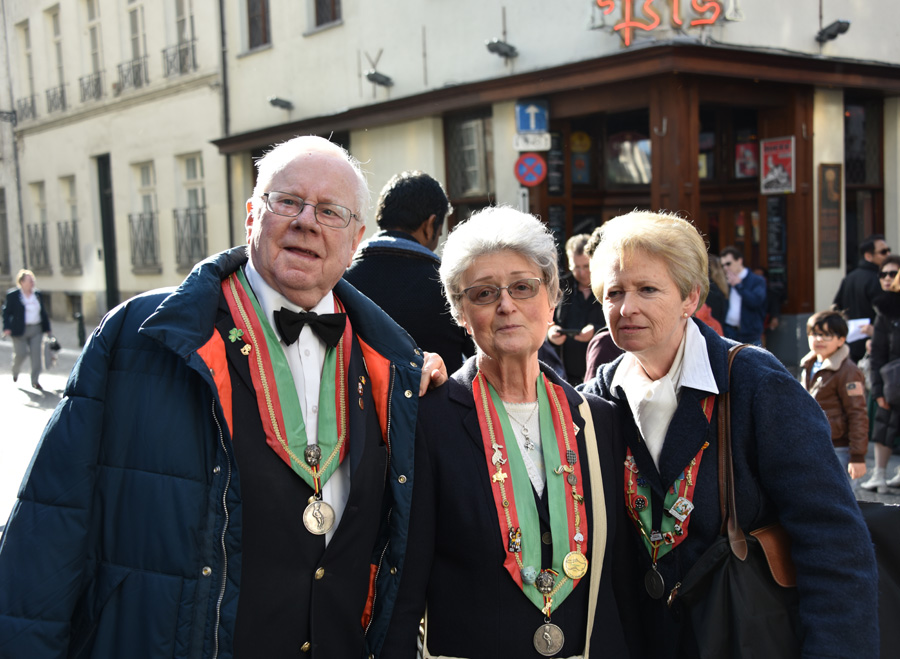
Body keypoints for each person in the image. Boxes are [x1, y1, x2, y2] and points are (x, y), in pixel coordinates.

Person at [0, 136, 448, 658]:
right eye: (288, 202)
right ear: (252, 215)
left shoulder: (395, 367)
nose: (306, 221)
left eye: (330, 211)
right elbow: (49, 525)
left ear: (356, 239)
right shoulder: (136, 337)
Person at [582, 210, 878, 658]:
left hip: (745, 637)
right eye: (615, 292)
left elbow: (835, 544)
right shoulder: (598, 396)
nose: (627, 308)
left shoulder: (757, 385)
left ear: (690, 297)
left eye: (648, 289)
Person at [382, 207, 635, 658]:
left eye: (522, 287)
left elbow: (618, 577)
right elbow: (405, 584)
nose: (506, 305)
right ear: (460, 312)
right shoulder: (428, 421)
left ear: (552, 296)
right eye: (483, 293)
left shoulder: (599, 420)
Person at [345, 170, 474, 372]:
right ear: (430, 225)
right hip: (436, 402)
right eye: (438, 233)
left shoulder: (342, 279)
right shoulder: (450, 285)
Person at [799, 310, 868, 487]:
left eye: (827, 335)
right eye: (815, 334)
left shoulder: (848, 370)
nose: (819, 340)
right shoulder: (809, 364)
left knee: (841, 501)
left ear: (841, 340)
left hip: (839, 447)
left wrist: (858, 456)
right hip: (814, 443)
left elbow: (857, 413)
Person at [862, 258, 900, 493]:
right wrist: (877, 389)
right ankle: (878, 474)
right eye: (883, 274)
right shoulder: (886, 309)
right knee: (885, 424)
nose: (887, 278)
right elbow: (877, 355)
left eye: (892, 273)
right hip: (892, 382)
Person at [548, 234, 604, 384]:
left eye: (586, 266)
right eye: (576, 267)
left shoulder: (609, 289)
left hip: (601, 374)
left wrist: (596, 330)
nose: (582, 273)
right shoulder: (560, 288)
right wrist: (550, 333)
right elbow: (547, 320)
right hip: (566, 376)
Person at [834, 233, 891, 362]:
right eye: (883, 252)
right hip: (874, 341)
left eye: (888, 250)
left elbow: (836, 306)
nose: (888, 255)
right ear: (868, 256)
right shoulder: (878, 280)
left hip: (852, 342)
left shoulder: (849, 277)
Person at [2, 268, 52, 391]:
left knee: (36, 356)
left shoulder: (37, 294)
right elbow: (6, 313)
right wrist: (7, 327)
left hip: (36, 328)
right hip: (19, 330)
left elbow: (43, 313)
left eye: (33, 280)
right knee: (21, 354)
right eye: (30, 281)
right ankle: (15, 370)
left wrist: (47, 329)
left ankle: (35, 381)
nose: (32, 283)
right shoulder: (13, 295)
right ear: (22, 282)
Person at [719, 245, 767, 345]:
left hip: (750, 335)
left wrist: (738, 286)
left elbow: (755, 301)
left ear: (739, 261)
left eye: (728, 263)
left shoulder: (756, 280)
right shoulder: (724, 281)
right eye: (723, 265)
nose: (726, 268)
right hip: (729, 332)